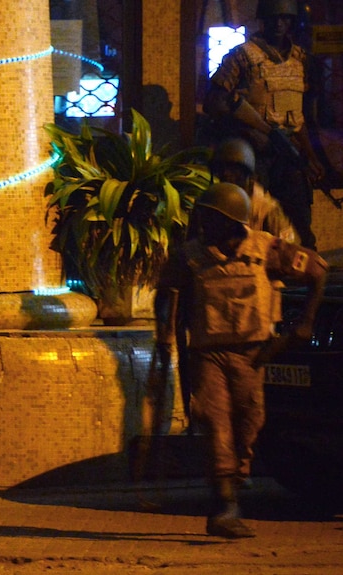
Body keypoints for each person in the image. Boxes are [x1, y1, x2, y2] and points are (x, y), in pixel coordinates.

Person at [154, 182, 326, 539]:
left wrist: (305, 323)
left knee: (249, 422)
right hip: (209, 355)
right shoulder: (190, 256)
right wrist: (164, 337)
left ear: (232, 221)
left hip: (252, 355)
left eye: (211, 217)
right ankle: (224, 505)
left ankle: (234, 479)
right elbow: (166, 292)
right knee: (216, 424)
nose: (203, 223)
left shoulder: (266, 250)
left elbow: (317, 271)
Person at [203, 0, 324, 250]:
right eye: (273, 18)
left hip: (287, 152)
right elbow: (214, 103)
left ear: (292, 21)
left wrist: (309, 156)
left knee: (299, 219)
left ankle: (301, 270)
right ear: (263, 20)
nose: (279, 23)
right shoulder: (242, 56)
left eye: (285, 18)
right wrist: (250, 131)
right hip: (252, 154)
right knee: (254, 219)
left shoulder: (299, 59)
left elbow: (297, 117)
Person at [211, 137, 299, 244]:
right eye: (221, 169)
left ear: (247, 174)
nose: (226, 174)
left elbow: (289, 247)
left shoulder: (266, 208)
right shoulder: (214, 203)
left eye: (233, 169)